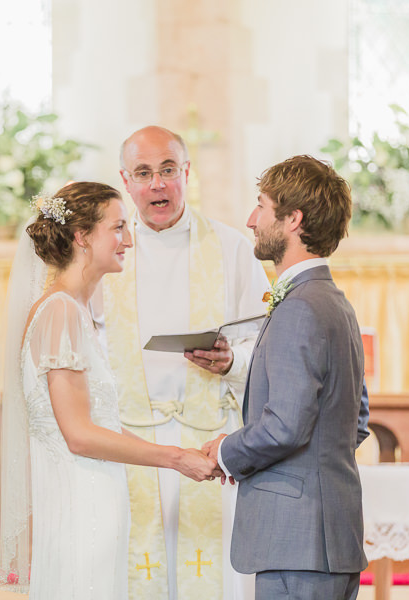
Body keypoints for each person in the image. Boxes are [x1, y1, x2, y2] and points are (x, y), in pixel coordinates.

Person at [0, 182, 217, 599]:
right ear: (82, 236)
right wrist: (174, 458)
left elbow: (101, 423)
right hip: (81, 506)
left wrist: (180, 453)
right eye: (118, 227)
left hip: (96, 498)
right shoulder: (60, 311)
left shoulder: (73, 309)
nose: (128, 240)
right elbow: (79, 435)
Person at [96, 125, 270, 599]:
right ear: (125, 180)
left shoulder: (232, 248)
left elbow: (266, 344)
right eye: (143, 173)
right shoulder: (104, 253)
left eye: (168, 170)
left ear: (187, 173)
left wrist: (231, 361)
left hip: (207, 444)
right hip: (130, 445)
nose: (158, 184)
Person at [204, 155, 368, 600]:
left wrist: (226, 452)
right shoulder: (335, 302)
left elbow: (285, 426)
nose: (251, 220)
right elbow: (356, 420)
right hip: (326, 538)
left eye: (261, 206)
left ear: (293, 219)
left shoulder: (299, 308)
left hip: (298, 544)